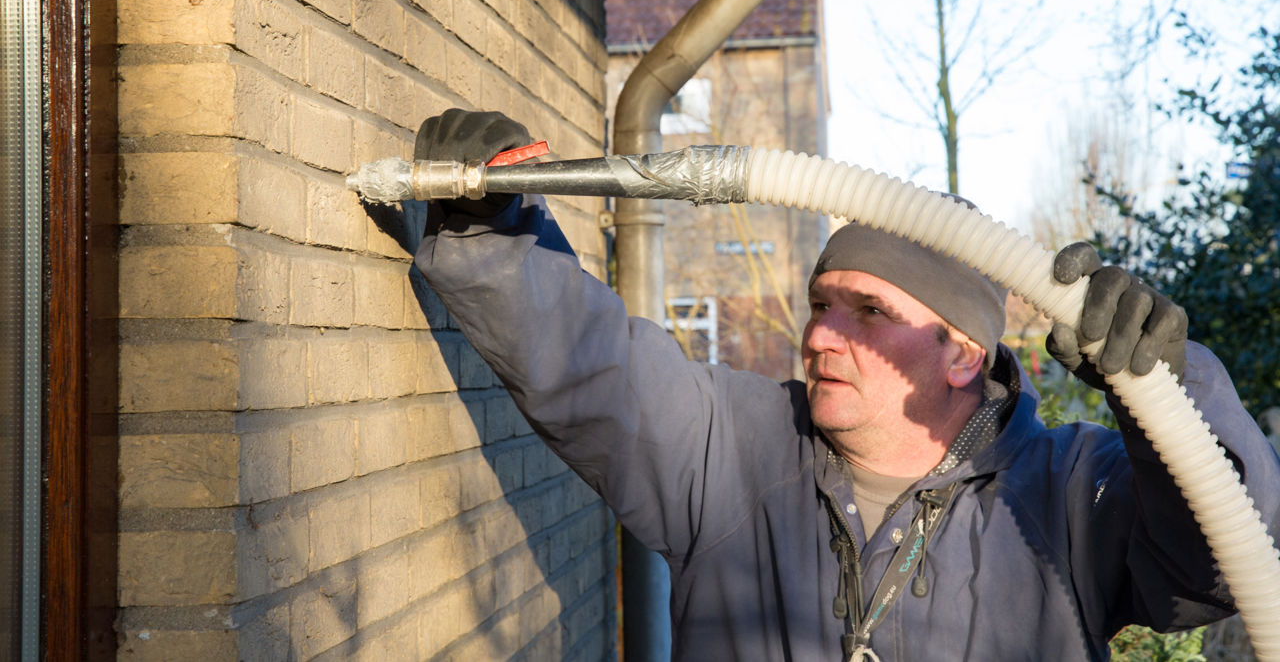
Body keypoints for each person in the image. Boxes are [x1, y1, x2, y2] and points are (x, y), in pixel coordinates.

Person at [409, 109, 1280, 661]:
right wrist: (490, 227)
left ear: (961, 353)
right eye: (821, 303)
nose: (821, 334)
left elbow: (1223, 561)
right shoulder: (732, 451)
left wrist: (1167, 390)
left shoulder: (1069, 493)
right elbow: (586, 362)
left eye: (868, 311)